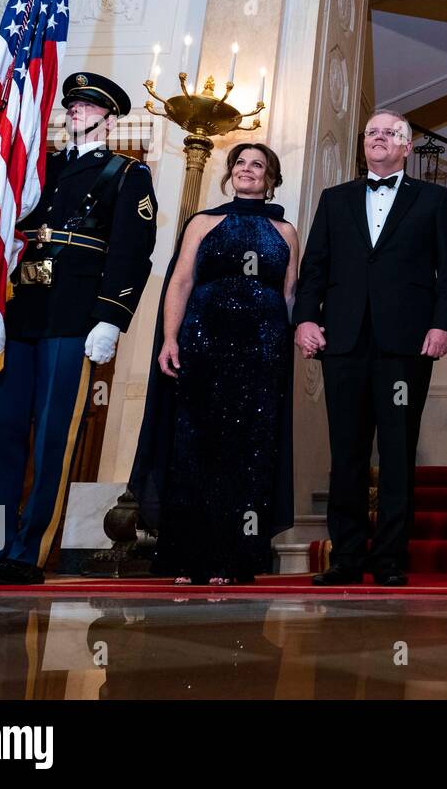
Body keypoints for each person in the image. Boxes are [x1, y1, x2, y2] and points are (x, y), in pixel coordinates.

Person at [0, 73, 157, 586]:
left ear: (110, 116)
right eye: (73, 104)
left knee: (52, 439)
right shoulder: (39, 168)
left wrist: (111, 317)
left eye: (88, 106)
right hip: (20, 311)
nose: (76, 111)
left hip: (73, 316)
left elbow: (132, 252)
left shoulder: (127, 174)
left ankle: (26, 553)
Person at [295, 110, 447, 587]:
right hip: (343, 343)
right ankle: (345, 557)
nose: (379, 138)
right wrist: (305, 318)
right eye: (372, 133)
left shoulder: (434, 199)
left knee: (398, 450)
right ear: (362, 145)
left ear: (407, 147)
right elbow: (314, 268)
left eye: (390, 133)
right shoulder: (335, 198)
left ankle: (389, 557)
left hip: (407, 345)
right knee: (345, 451)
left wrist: (442, 324)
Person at [129, 143, 298, 585]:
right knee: (195, 446)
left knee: (249, 452)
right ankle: (187, 556)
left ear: (270, 178)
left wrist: (285, 347)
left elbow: (289, 294)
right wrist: (169, 337)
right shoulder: (203, 222)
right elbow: (181, 280)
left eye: (257, 165)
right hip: (203, 343)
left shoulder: (286, 231)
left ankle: (235, 556)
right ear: (230, 173)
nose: (247, 170)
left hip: (262, 351)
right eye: (240, 163)